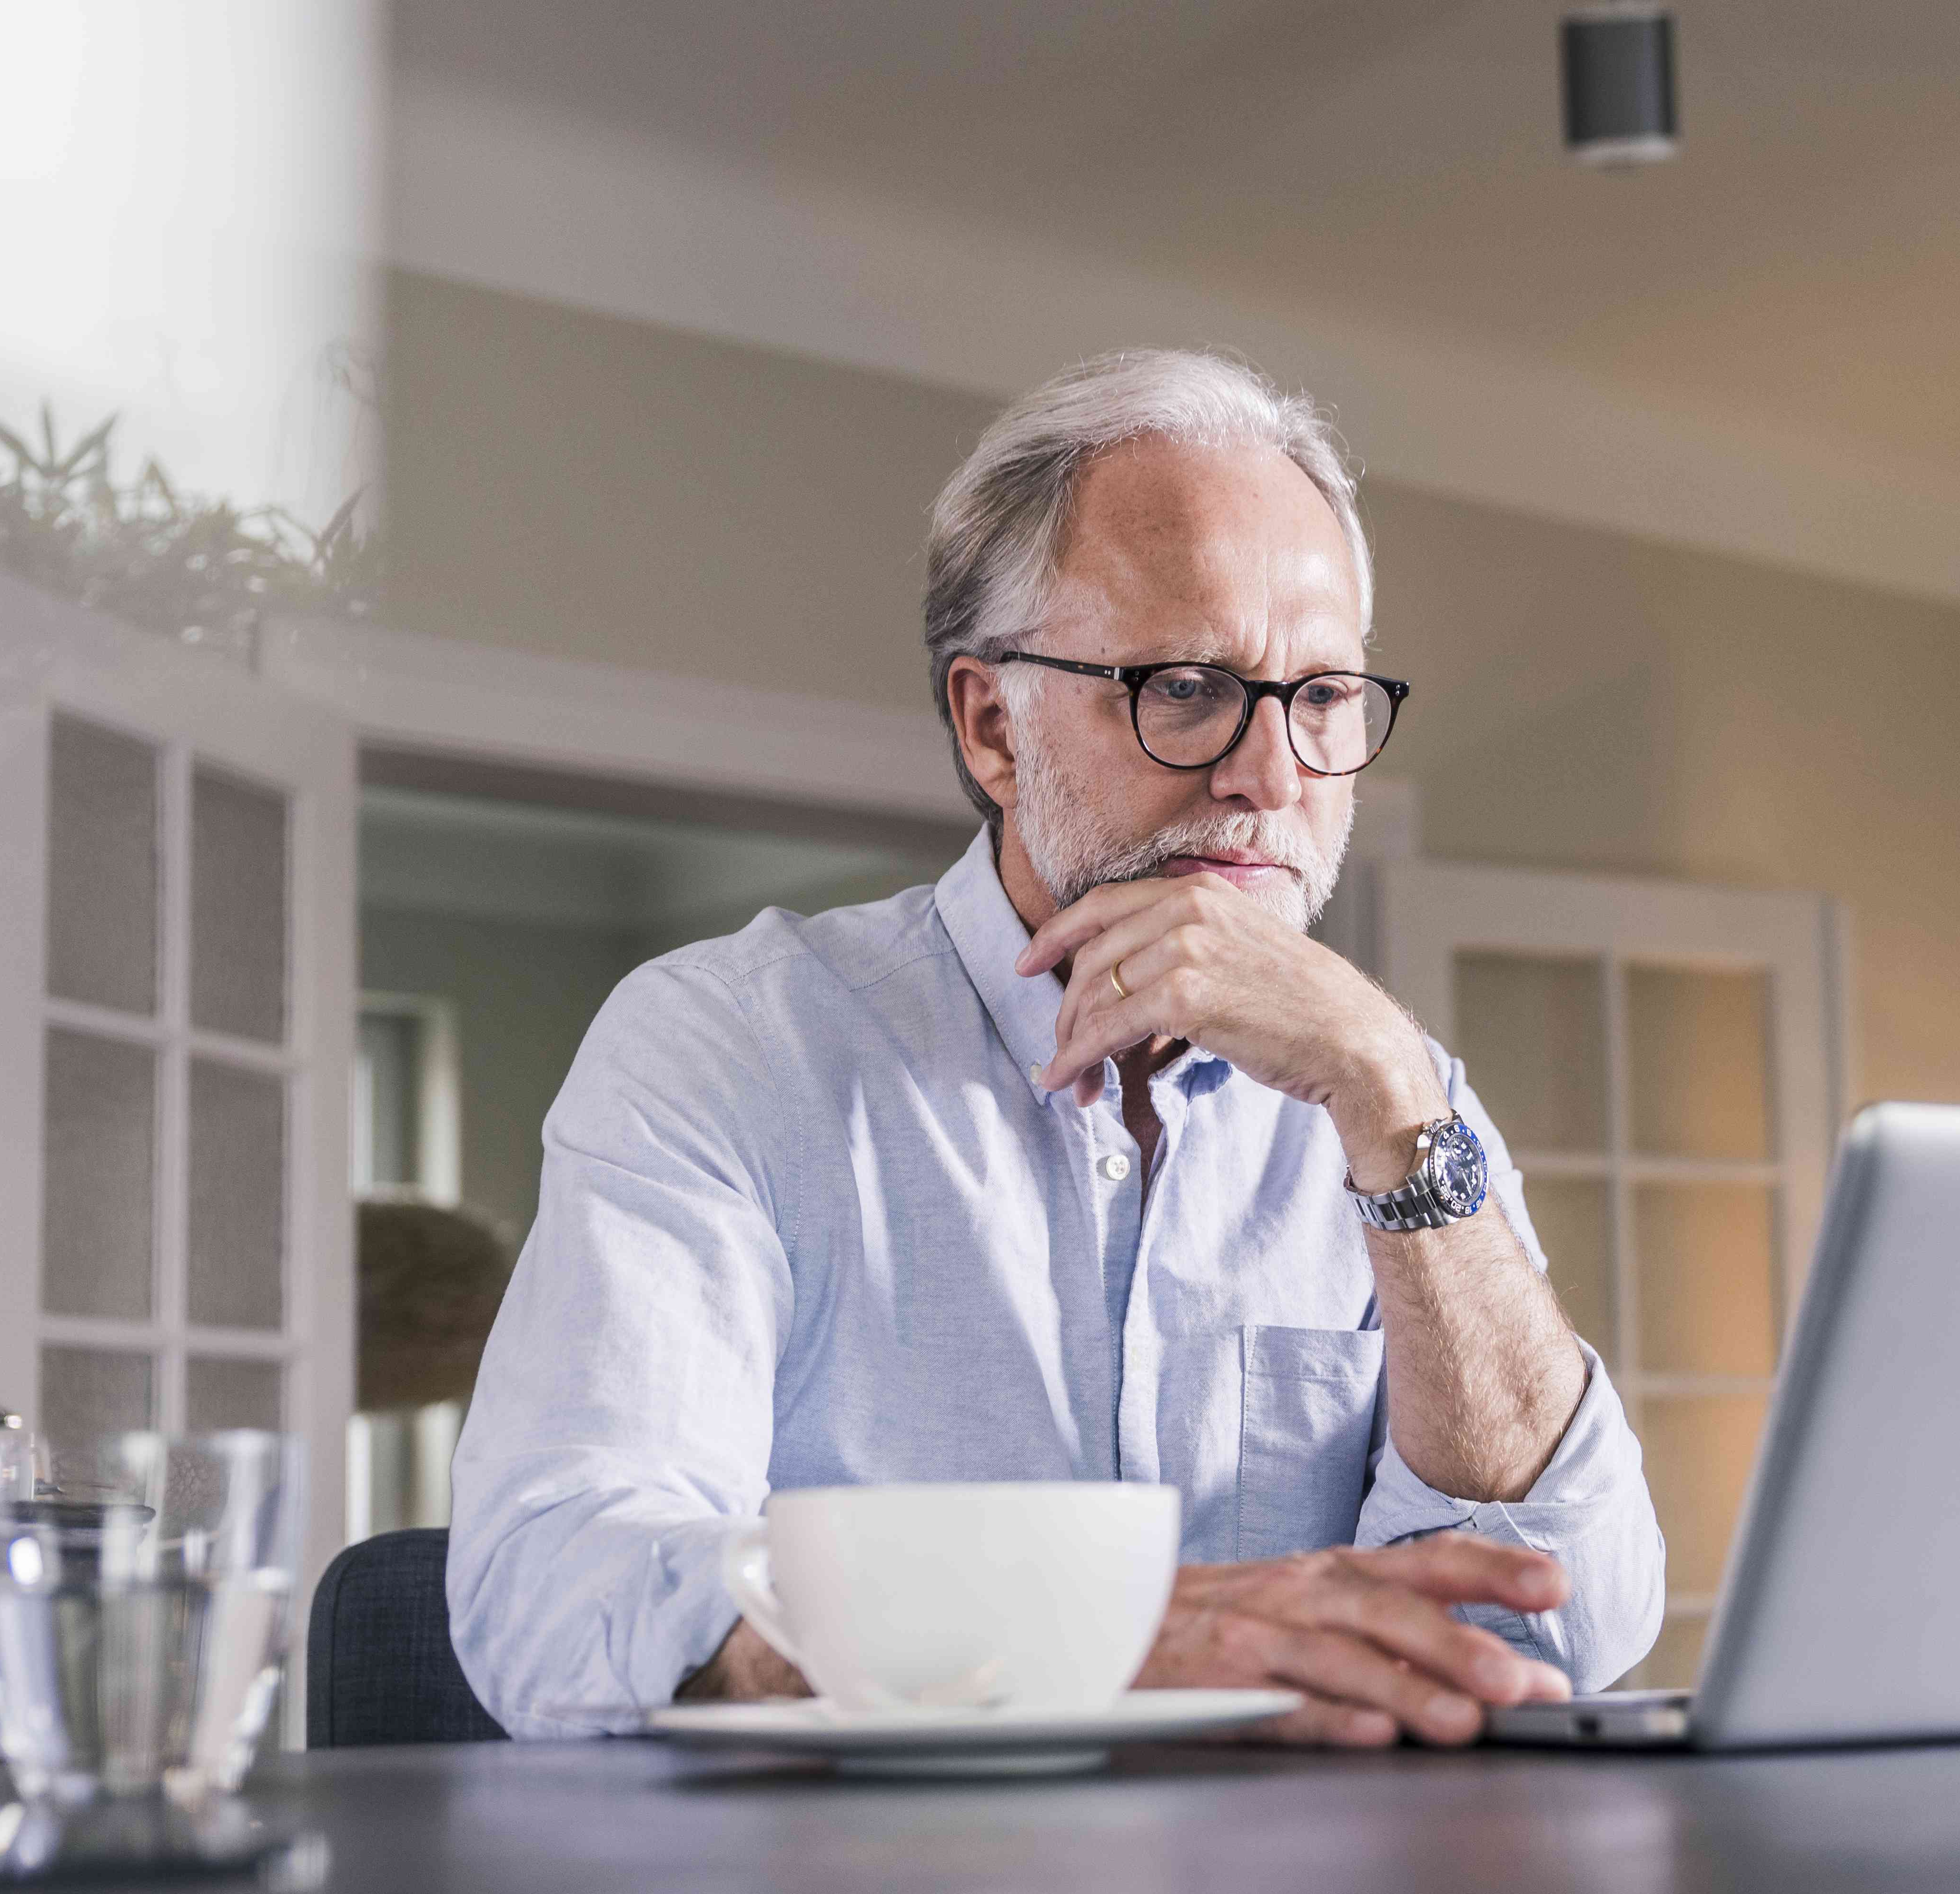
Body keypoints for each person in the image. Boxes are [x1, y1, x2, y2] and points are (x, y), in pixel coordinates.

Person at [446, 348, 1663, 1746]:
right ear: (993, 726)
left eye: (1324, 698)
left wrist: (1390, 1094)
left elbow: (1565, 1621)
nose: (1273, 775)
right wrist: (1112, 1644)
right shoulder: (729, 1043)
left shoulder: (1393, 1094)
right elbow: (550, 1590)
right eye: (1190, 685)